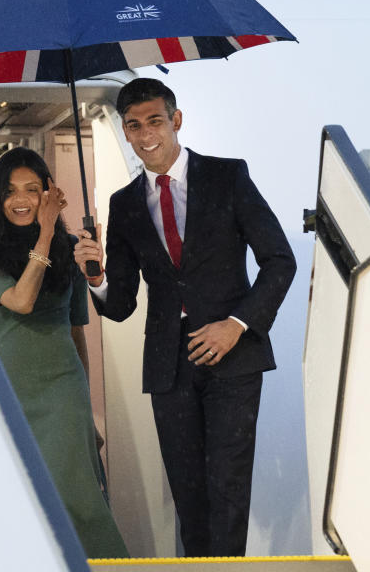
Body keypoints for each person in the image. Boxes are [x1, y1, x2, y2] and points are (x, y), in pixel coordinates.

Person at [73, 78, 296, 557]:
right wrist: (95, 277)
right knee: (190, 500)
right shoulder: (125, 204)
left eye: (154, 121)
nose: (144, 133)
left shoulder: (228, 177)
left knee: (228, 495)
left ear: (176, 121)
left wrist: (235, 325)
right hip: (169, 366)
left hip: (234, 360)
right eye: (133, 125)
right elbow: (121, 305)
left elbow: (280, 260)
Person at [0, 148, 128, 559]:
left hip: (62, 391)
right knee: (16, 499)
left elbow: (77, 333)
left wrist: (86, 413)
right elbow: (20, 300)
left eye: (33, 190)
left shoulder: (71, 248)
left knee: (80, 500)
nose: (21, 199)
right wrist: (46, 229)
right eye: (10, 191)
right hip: (6, 390)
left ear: (49, 192)